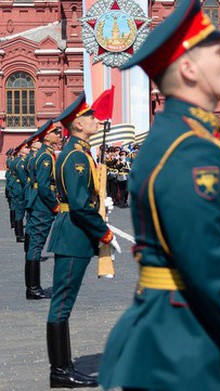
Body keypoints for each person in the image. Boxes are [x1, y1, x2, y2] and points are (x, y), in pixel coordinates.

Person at [98, 0, 220, 389]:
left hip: (182, 336)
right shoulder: (190, 149)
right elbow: (207, 271)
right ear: (189, 69)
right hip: (186, 348)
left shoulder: (187, 138)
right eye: (219, 52)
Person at [45, 92, 121, 388]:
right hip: (73, 235)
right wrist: (103, 230)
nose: (94, 119)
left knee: (64, 302)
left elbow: (82, 197)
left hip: (73, 234)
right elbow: (77, 204)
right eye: (89, 117)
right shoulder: (76, 155)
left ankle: (62, 367)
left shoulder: (80, 152)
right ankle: (60, 371)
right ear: (77, 124)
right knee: (61, 304)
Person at [24, 120, 62, 300]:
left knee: (34, 244)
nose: (59, 136)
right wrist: (54, 205)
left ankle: (32, 287)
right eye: (56, 133)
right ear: (47, 137)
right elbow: (45, 186)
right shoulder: (46, 157)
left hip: (35, 202)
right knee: (36, 245)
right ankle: (33, 289)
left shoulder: (38, 155)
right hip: (42, 205)